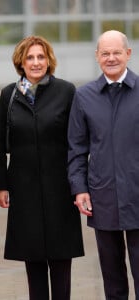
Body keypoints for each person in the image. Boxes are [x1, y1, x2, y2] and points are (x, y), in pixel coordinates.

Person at [0, 35, 84, 300]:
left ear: (49, 60)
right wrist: (1, 185)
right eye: (30, 57)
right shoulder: (10, 94)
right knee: (32, 260)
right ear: (21, 61)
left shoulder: (66, 91)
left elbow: (76, 143)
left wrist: (79, 185)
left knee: (60, 258)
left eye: (41, 57)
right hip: (23, 188)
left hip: (60, 188)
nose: (35, 62)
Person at [68, 30, 139, 299]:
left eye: (117, 52)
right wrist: (80, 188)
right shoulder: (84, 96)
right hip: (103, 196)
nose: (111, 58)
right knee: (112, 276)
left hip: (137, 193)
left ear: (128, 54)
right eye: (105, 53)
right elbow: (76, 149)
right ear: (97, 56)